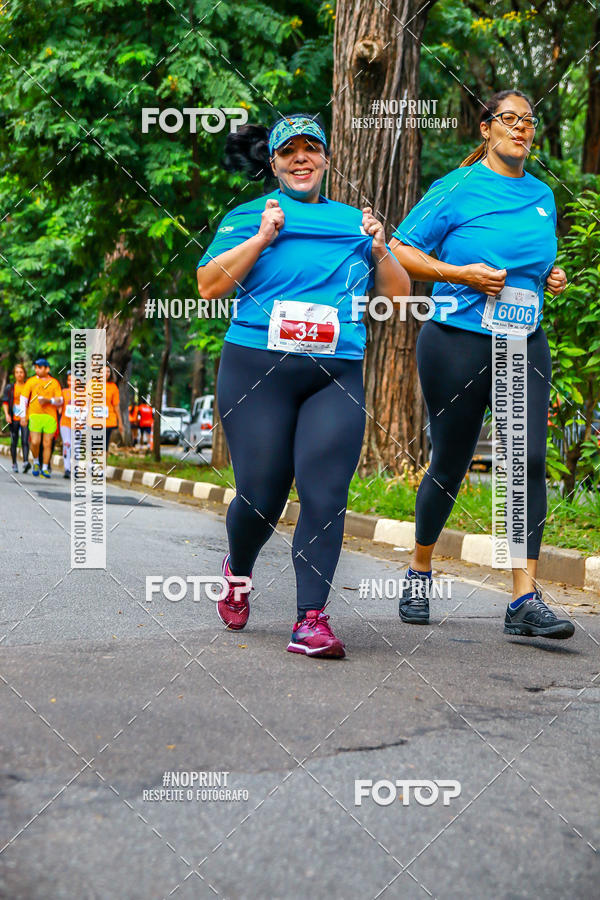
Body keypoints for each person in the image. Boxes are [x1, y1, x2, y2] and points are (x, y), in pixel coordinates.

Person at [197, 113, 409, 658]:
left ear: (325, 159)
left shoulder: (351, 222)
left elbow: (399, 296)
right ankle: (237, 569)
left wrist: (380, 244)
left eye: (310, 149)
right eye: (288, 151)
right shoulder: (251, 215)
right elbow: (208, 286)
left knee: (325, 495)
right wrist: (264, 238)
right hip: (256, 370)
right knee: (261, 497)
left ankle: (310, 620)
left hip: (334, 371)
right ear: (273, 163)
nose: (300, 158)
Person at [390, 89, 574, 640]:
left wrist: (549, 277)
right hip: (456, 339)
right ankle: (420, 568)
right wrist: (461, 275)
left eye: (528, 121)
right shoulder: (456, 188)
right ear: (486, 129)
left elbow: (533, 262)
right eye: (509, 120)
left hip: (523, 339)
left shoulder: (543, 195)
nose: (520, 129)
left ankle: (522, 597)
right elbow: (400, 250)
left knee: (529, 461)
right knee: (450, 461)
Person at [22, 358, 63, 478]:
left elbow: (60, 400)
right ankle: (35, 462)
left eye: (39, 367)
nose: (37, 370)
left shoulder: (54, 382)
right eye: (35, 367)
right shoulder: (31, 381)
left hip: (50, 417)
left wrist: (48, 400)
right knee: (35, 442)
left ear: (47, 369)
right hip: (34, 415)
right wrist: (23, 416)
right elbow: (23, 399)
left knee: (47, 443)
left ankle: (44, 468)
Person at [2, 363, 31, 473]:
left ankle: (25, 461)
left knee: (25, 440)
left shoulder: (28, 387)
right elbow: (5, 402)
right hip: (14, 417)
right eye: (17, 372)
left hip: (25, 418)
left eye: (21, 372)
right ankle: (14, 463)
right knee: (14, 440)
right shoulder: (10, 388)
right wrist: (7, 415)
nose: (19, 374)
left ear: (24, 374)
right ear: (14, 374)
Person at [88, 365, 123, 450]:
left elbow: (116, 406)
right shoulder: (92, 383)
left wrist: (120, 422)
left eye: (108, 371)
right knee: (94, 443)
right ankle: (94, 463)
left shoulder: (113, 387)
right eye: (104, 371)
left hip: (108, 420)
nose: (106, 373)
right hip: (94, 419)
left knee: (104, 445)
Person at [60, 372, 73, 478]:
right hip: (65, 422)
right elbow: (59, 404)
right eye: (70, 380)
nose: (72, 383)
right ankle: (67, 468)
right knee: (67, 443)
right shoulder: (64, 392)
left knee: (76, 446)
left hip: (78, 424)